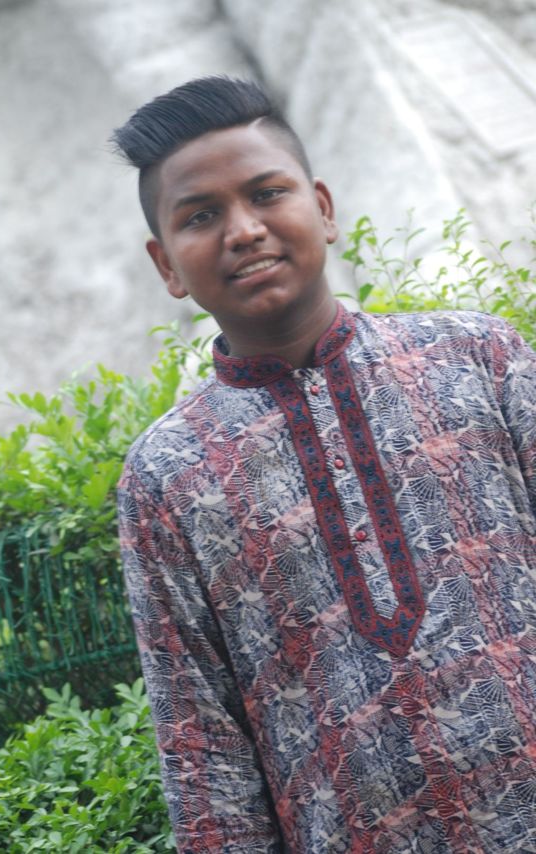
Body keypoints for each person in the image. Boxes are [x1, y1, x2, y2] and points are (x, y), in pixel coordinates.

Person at [114, 77, 536, 853]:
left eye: (266, 194)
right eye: (200, 216)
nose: (244, 230)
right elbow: (201, 744)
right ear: (166, 264)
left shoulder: (480, 357)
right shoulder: (167, 476)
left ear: (324, 208)